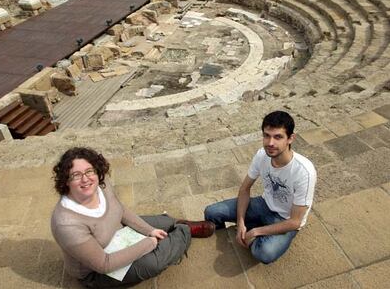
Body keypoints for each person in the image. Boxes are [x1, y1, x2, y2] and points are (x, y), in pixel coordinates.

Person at [51, 147, 215, 288]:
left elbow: (120, 210)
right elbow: (104, 264)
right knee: (152, 264)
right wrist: (149, 242)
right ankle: (183, 231)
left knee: (160, 224)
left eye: (89, 171)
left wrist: (150, 231)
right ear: (66, 180)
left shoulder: (102, 183)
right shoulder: (67, 224)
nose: (86, 179)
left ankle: (174, 225)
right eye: (76, 175)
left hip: (117, 233)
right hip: (96, 270)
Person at [204, 111, 316, 264]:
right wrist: (241, 222)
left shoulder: (304, 172)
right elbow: (244, 189)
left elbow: (295, 221)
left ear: (290, 138)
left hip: (285, 219)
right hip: (264, 204)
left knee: (264, 253)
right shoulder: (262, 155)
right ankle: (247, 229)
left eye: (278, 137)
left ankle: (255, 230)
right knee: (212, 212)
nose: (270, 143)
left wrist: (256, 231)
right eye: (266, 135)